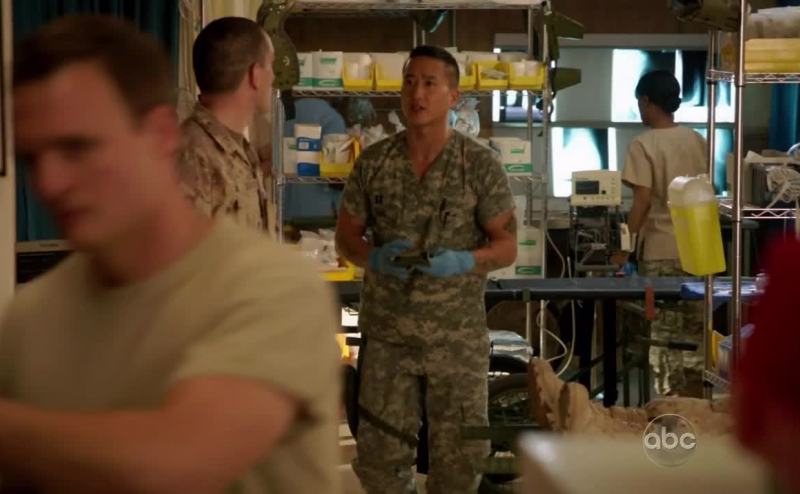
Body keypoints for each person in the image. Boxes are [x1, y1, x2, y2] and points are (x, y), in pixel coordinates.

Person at [3, 15, 341, 494]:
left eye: (78, 147)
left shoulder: (277, 291)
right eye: (32, 158)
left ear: (161, 135)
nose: (49, 183)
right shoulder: (31, 321)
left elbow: (184, 459)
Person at [335, 45, 517, 494]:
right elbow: (346, 239)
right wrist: (374, 256)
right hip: (388, 338)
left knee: (460, 461)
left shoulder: (478, 166)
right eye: (410, 82)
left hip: (454, 339)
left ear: (453, 96)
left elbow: (507, 246)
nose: (417, 93)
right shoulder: (375, 162)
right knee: (380, 461)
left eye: (430, 83)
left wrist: (465, 261)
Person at [615, 70, 708, 398]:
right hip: (699, 251)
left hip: (662, 251)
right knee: (695, 339)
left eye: (639, 103)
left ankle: (669, 411)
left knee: (664, 341)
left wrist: (624, 248)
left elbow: (642, 201)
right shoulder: (697, 139)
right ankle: (697, 409)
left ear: (646, 101)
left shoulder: (644, 144)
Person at [180, 17, 272, 231]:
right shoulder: (191, 154)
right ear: (256, 75)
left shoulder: (241, 150)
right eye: (270, 65)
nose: (274, 76)